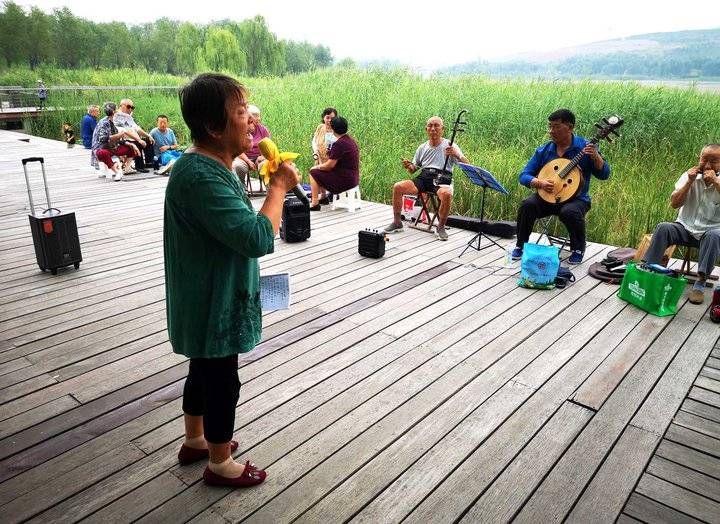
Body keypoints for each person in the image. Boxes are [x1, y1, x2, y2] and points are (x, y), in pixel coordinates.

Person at [165, 73, 300, 488]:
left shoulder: (209, 167)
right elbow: (257, 237)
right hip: (212, 303)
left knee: (202, 371)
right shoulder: (203, 176)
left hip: (203, 295)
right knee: (223, 379)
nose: (251, 123)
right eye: (241, 113)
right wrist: (278, 188)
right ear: (213, 127)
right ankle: (220, 463)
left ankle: (196, 440)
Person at [512, 108, 610, 264]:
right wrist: (539, 183)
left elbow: (604, 175)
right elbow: (524, 176)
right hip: (547, 197)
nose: (551, 131)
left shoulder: (585, 148)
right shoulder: (544, 150)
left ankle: (578, 249)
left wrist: (596, 158)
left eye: (556, 126)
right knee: (527, 205)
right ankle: (520, 245)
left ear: (570, 127)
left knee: (569, 212)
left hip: (576, 199)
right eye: (550, 126)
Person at [643, 144, 720, 306]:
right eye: (704, 159)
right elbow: (674, 204)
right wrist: (689, 182)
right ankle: (649, 270)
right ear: (699, 158)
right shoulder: (689, 175)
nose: (707, 165)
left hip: (710, 233)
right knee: (663, 227)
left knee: (714, 235)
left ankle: (700, 283)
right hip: (684, 228)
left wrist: (716, 182)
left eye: (714, 161)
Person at [383, 116, 469, 241]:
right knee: (398, 187)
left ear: (442, 129)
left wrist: (456, 154)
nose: (433, 128)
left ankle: (440, 227)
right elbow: (414, 169)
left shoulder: (450, 145)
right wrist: (408, 165)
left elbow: (467, 164)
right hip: (424, 177)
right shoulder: (422, 147)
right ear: (426, 129)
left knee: (447, 194)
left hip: (442, 179)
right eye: (430, 126)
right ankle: (397, 222)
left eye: (436, 125)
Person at [308, 116, 360, 210]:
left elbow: (329, 165)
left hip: (344, 180)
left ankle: (315, 203)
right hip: (353, 178)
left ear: (333, 128)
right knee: (319, 172)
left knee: (313, 172)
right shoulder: (350, 140)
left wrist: (317, 167)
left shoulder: (339, 144)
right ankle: (323, 198)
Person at [91, 102, 140, 181]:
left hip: (113, 147)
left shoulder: (114, 121)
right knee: (101, 153)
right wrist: (119, 135)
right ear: (114, 111)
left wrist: (131, 144)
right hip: (103, 148)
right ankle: (117, 172)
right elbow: (103, 139)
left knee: (132, 147)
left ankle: (127, 167)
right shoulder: (104, 123)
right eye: (116, 109)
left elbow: (120, 139)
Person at [114, 98, 155, 173]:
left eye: (132, 107)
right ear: (121, 106)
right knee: (138, 142)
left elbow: (137, 129)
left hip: (133, 138)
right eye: (128, 107)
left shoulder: (128, 117)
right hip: (123, 140)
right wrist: (138, 139)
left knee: (148, 139)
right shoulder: (117, 116)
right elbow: (124, 131)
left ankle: (149, 162)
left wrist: (148, 135)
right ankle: (139, 166)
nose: (131, 109)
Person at [232, 104, 271, 182]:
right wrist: (248, 161)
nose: (259, 118)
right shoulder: (240, 129)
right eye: (255, 115)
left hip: (259, 158)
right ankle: (241, 189)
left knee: (266, 166)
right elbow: (237, 149)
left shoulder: (263, 130)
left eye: (259, 115)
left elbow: (269, 146)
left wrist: (262, 157)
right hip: (243, 158)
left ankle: (269, 189)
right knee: (237, 166)